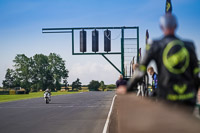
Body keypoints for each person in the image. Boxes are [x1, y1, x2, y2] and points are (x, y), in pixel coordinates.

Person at [125, 13, 200, 108]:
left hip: (166, 98)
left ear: (161, 27)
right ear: (176, 26)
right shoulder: (190, 45)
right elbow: (196, 75)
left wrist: (127, 88)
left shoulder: (154, 45)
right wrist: (193, 94)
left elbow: (140, 71)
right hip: (188, 100)